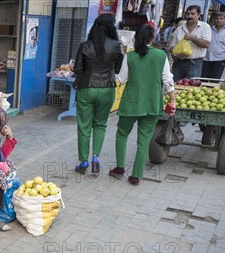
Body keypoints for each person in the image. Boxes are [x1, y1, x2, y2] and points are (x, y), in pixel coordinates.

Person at [109, 25, 176, 186]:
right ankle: (136, 175)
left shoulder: (130, 56)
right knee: (144, 140)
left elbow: (122, 79)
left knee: (122, 134)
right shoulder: (161, 55)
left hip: (131, 101)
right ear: (152, 39)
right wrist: (172, 100)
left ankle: (119, 168)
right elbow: (168, 81)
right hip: (152, 102)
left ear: (136, 38)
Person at [72, 13, 124, 174]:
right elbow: (117, 69)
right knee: (100, 125)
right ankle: (95, 157)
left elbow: (77, 69)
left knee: (84, 126)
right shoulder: (117, 45)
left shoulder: (85, 45)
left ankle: (83, 162)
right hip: (107, 88)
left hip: (87, 88)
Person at [169, 5, 212, 82]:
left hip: (195, 63)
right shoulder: (179, 29)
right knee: (175, 85)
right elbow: (172, 46)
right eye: (187, 14)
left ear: (199, 15)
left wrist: (192, 38)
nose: (189, 16)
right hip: (179, 63)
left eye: (192, 14)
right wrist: (174, 52)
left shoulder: (205, 27)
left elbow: (206, 44)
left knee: (191, 87)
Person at [202, 12, 225, 79]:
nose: (219, 20)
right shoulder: (209, 29)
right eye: (217, 18)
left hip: (220, 59)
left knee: (215, 79)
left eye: (221, 19)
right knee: (203, 79)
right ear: (214, 20)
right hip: (206, 58)